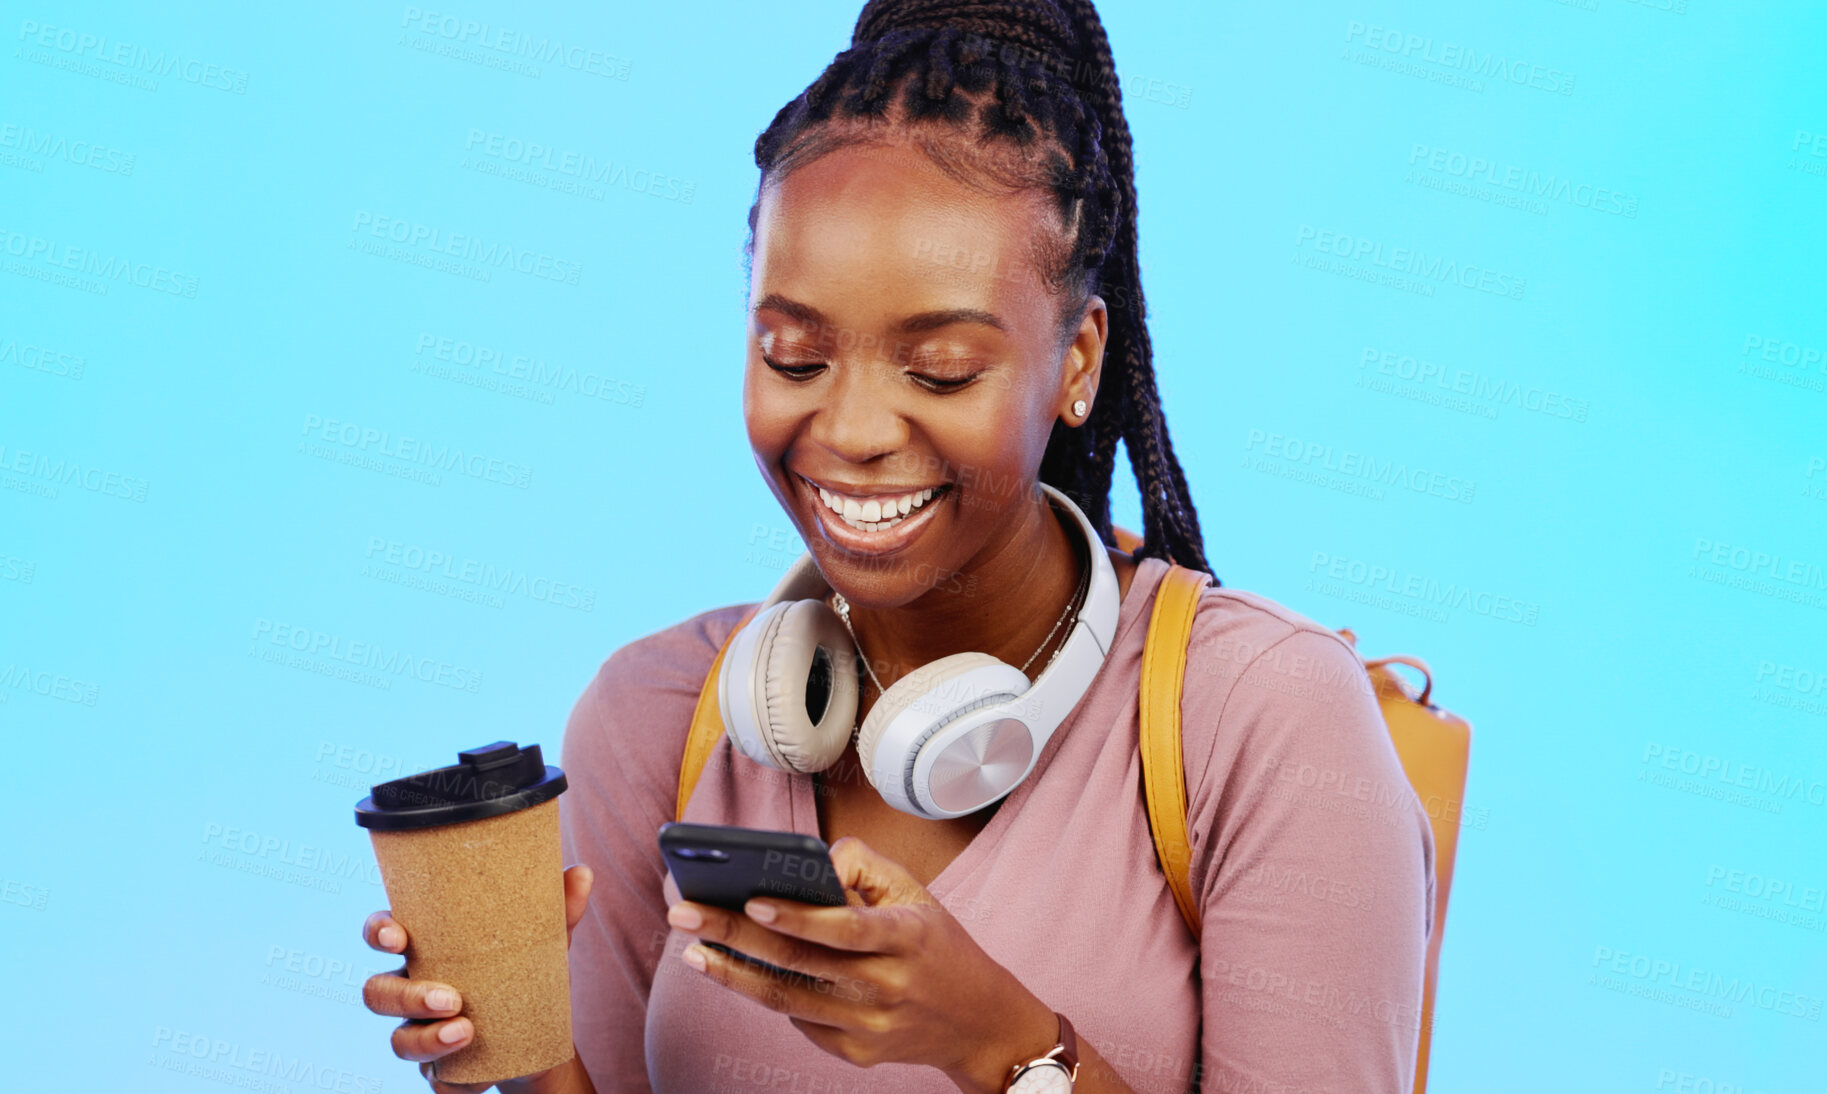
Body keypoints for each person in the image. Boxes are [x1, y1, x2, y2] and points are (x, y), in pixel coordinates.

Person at [359, 1, 1436, 1091]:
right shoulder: (653, 718)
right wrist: (510, 1045)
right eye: (793, 354)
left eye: (941, 370)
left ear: (1077, 361)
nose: (853, 431)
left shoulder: (1264, 722)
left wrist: (1005, 1045)